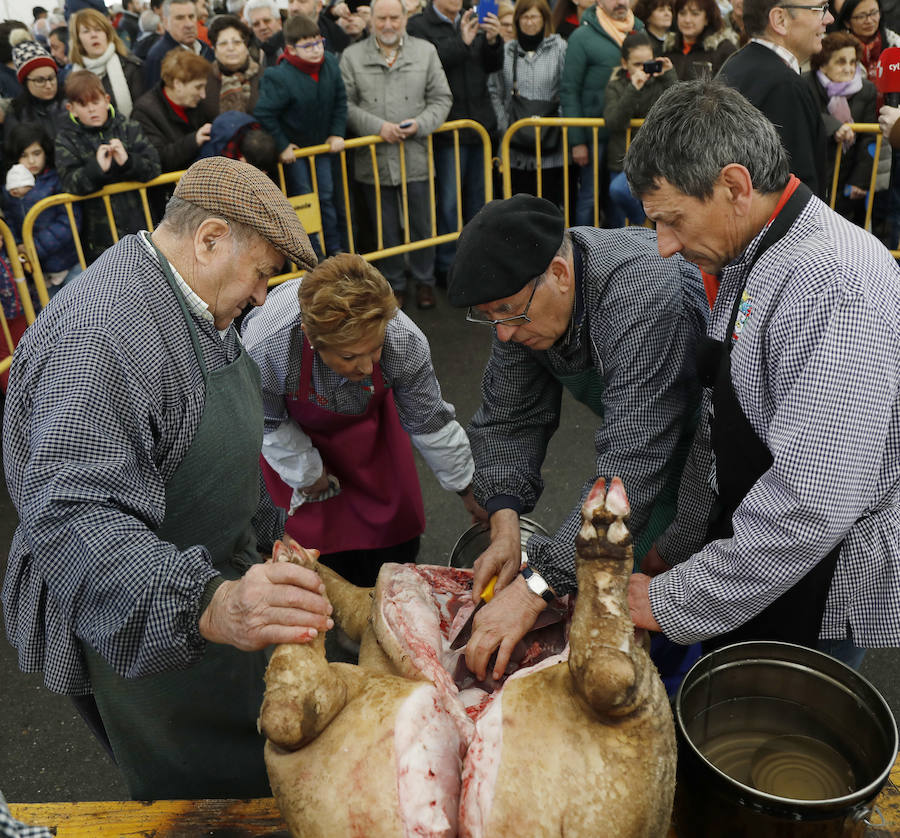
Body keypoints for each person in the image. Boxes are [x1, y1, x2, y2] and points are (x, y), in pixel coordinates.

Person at [1, 156, 326, 801]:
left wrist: (268, 534)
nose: (265, 295)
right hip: (137, 621)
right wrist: (211, 602)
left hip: (214, 578)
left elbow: (224, 444)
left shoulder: (198, 302)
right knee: (207, 800)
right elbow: (72, 519)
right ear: (209, 240)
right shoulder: (102, 337)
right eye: (262, 274)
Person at [622, 78, 900, 667]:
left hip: (815, 584)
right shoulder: (754, 250)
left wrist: (673, 598)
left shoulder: (831, 283)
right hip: (757, 568)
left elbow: (812, 502)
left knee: (783, 747)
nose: (664, 245)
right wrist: (677, 547)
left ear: (734, 186)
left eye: (671, 220)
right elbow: (722, 418)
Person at [446, 194, 707, 682]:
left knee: (665, 597)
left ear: (560, 275)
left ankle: (674, 697)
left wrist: (533, 590)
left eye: (507, 314)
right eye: (489, 318)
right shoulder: (520, 306)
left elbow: (632, 460)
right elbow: (509, 417)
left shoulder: (642, 291)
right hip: (641, 455)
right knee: (613, 580)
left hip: (709, 465)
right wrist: (505, 523)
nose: (501, 334)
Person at [242, 252, 476, 587]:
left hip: (371, 436)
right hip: (293, 435)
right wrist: (308, 472)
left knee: (394, 535)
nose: (367, 367)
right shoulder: (266, 346)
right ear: (311, 336)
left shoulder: (403, 340)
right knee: (323, 552)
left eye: (374, 348)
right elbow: (267, 421)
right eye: (349, 356)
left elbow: (429, 421)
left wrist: (468, 489)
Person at [339, 0, 452, 310]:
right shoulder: (352, 56)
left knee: (422, 224)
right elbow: (345, 106)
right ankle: (394, 285)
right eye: (381, 18)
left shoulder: (425, 51)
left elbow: (442, 99)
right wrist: (378, 128)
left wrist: (420, 124)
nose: (388, 24)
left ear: (405, 18)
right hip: (374, 159)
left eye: (394, 17)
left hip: (415, 153)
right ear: (371, 20)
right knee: (384, 227)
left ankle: (425, 282)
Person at [406, 0, 502, 294]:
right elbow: (429, 66)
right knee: (449, 204)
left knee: (480, 202)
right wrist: (462, 42)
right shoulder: (418, 25)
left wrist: (494, 41)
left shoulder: (472, 18)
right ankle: (449, 268)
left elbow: (491, 65)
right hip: (449, 128)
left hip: (480, 126)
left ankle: (478, 264)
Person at [717, 0, 831, 197]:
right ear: (780, 20)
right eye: (820, 9)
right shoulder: (784, 85)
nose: (829, 19)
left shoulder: (736, 64)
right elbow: (796, 191)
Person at [254, 13, 346, 256]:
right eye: (307, 46)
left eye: (318, 42)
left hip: (321, 147)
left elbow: (340, 101)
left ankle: (334, 246)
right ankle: (312, 252)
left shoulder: (330, 64)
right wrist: (282, 144)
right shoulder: (278, 76)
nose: (316, 50)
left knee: (326, 196)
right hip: (297, 152)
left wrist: (336, 132)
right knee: (304, 199)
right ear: (291, 49)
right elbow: (264, 112)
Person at [55, 70, 161, 263]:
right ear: (72, 108)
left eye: (95, 102)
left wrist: (128, 162)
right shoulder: (66, 139)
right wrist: (96, 169)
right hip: (100, 238)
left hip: (142, 226)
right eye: (83, 105)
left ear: (106, 100)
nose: (92, 110)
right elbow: (69, 183)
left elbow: (154, 167)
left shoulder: (128, 127)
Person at [560, 0, 645, 227]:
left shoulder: (640, 31)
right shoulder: (582, 36)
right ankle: (581, 253)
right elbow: (569, 90)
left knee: (622, 197)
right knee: (589, 197)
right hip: (593, 135)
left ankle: (621, 254)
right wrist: (577, 140)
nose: (620, 2)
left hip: (628, 132)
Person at [488, 0, 568, 208]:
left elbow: (565, 90)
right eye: (524, 17)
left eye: (534, 17)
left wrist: (557, 126)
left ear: (544, 19)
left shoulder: (560, 48)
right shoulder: (506, 51)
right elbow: (494, 90)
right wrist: (506, 125)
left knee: (548, 208)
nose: (529, 22)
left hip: (551, 147)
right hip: (514, 147)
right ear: (517, 20)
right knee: (516, 209)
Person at [804, 30, 878, 222]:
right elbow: (804, 116)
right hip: (813, 177)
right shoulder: (805, 84)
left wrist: (860, 181)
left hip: (846, 179)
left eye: (853, 62)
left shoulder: (866, 90)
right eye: (840, 62)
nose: (849, 68)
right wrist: (833, 126)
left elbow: (868, 139)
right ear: (823, 63)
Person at [603, 31, 676, 225]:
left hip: (653, 162)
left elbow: (679, 109)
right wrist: (632, 90)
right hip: (621, 160)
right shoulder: (616, 86)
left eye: (648, 63)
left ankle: (643, 226)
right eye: (637, 64)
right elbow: (614, 121)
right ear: (624, 63)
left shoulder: (660, 83)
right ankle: (640, 225)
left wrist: (669, 74)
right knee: (618, 219)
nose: (643, 70)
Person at [3, 122, 82, 294]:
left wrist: (34, 246)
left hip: (69, 263)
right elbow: (8, 222)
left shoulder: (56, 181)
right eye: (24, 155)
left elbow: (69, 221)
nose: (31, 161)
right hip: (38, 271)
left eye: (36, 153)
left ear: (45, 152)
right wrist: (16, 245)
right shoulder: (9, 190)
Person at [132, 49, 216, 173]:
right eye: (198, 87)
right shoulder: (144, 112)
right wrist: (194, 140)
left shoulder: (198, 104)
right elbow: (157, 158)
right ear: (177, 84)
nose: (203, 94)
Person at [68, 8, 145, 118]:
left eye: (98, 29)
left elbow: (142, 113)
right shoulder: (73, 76)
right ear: (78, 40)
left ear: (107, 34)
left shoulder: (131, 67)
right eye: (86, 31)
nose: (93, 35)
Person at [835, 0, 900, 102]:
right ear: (847, 22)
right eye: (861, 16)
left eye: (874, 13)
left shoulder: (895, 44)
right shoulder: (836, 51)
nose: (869, 20)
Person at [4, 35, 65, 140]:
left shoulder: (71, 101)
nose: (49, 86)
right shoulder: (17, 114)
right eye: (40, 81)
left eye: (51, 78)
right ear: (25, 83)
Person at [143, 0, 215, 87]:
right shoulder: (159, 56)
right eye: (180, 18)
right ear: (165, 23)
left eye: (191, 17)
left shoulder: (205, 48)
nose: (189, 24)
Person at [662, 0, 738, 78]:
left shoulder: (723, 49)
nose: (687, 20)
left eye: (695, 14)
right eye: (682, 13)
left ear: (707, 18)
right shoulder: (669, 49)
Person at [203, 14, 262, 113]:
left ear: (246, 47)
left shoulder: (264, 77)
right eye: (223, 43)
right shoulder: (205, 80)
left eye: (237, 42)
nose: (231, 48)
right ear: (214, 50)